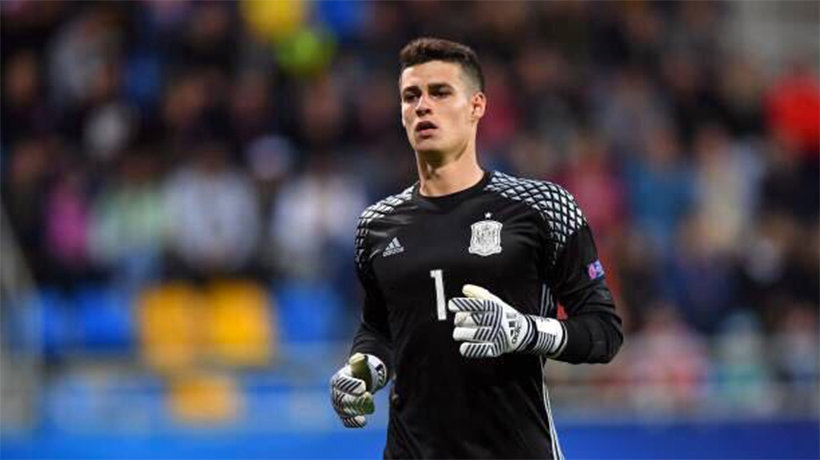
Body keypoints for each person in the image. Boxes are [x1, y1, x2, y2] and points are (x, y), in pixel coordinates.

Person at [330, 37, 623, 459]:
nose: (422, 106)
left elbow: (604, 333)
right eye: (410, 96)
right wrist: (362, 372)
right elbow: (381, 330)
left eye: (440, 92)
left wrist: (525, 331)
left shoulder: (543, 207)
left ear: (477, 106)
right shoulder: (375, 226)